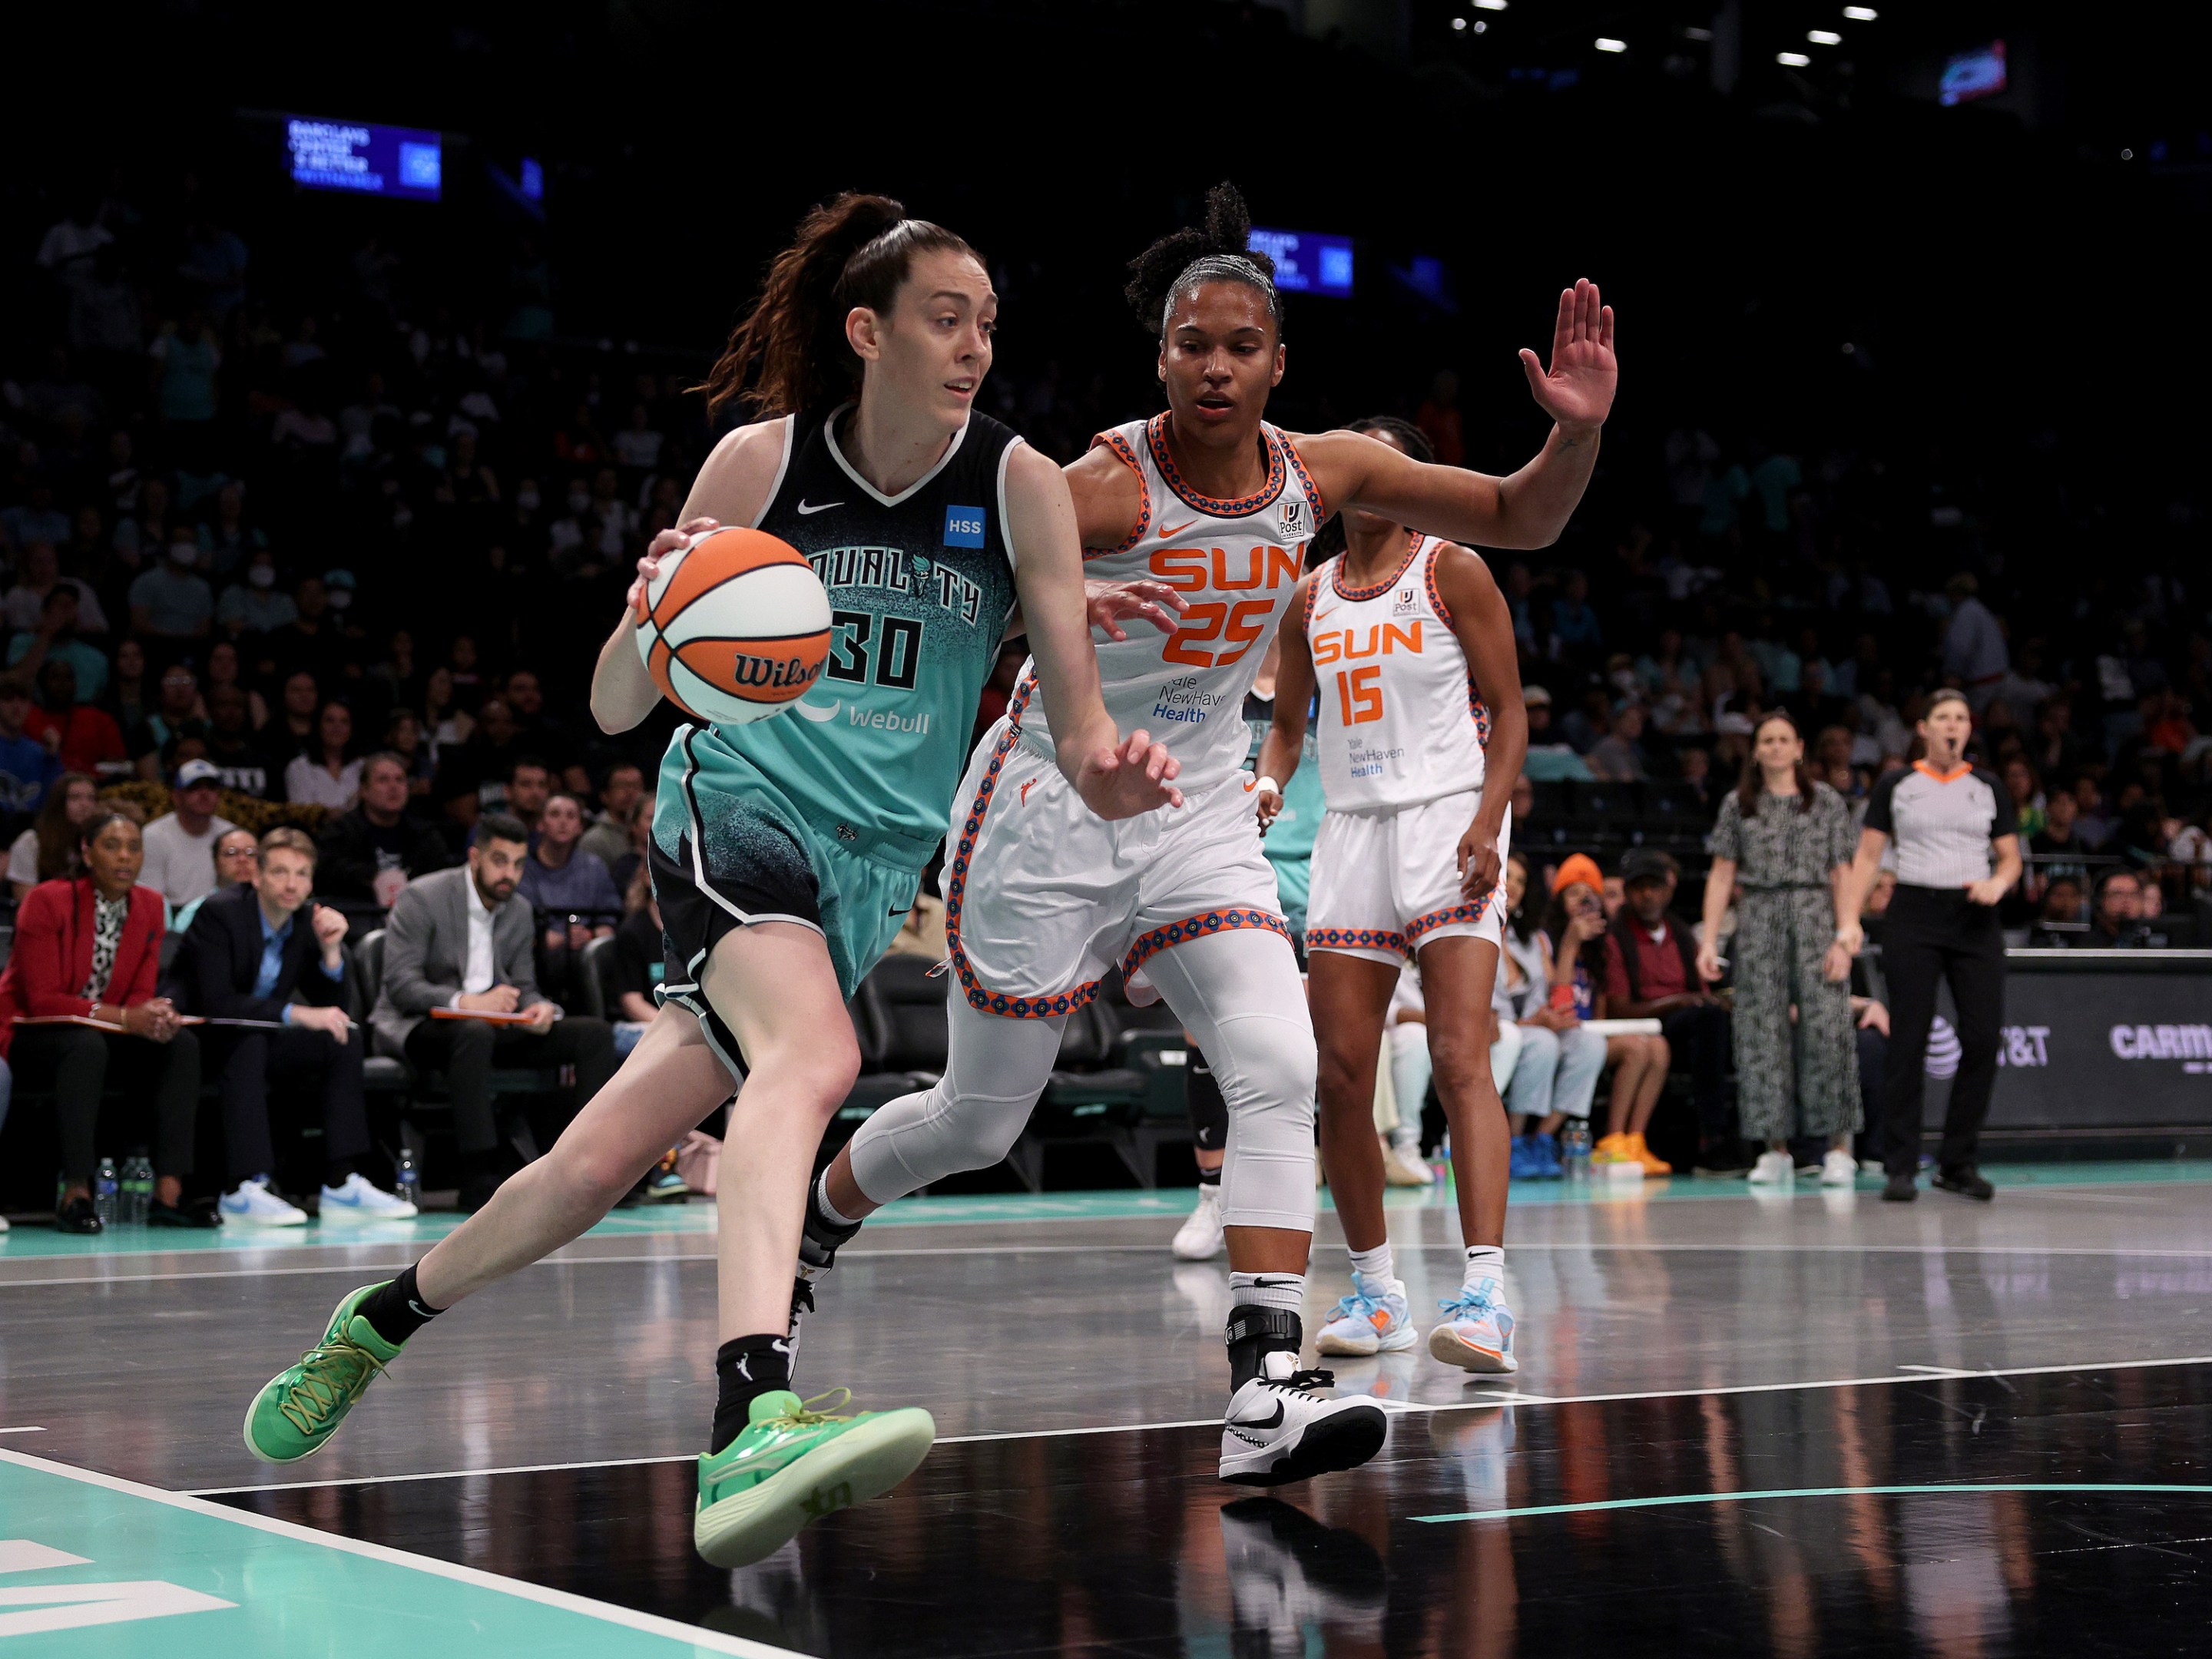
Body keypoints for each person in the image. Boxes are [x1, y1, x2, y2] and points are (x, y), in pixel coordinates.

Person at [240, 196, 1175, 1572]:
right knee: (819, 1052)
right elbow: (622, 708)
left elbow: (1079, 733)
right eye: (943, 316)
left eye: (986, 321)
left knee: (595, 1164)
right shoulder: (759, 466)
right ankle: (752, 1410)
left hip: (862, 875)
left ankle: (378, 1318)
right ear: (866, 330)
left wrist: (1120, 775)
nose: (975, 344)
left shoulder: (1019, 485)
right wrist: (646, 613)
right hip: (734, 809)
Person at [815, 186, 1612, 1475]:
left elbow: (1524, 512)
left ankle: (1265, 1382)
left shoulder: (1325, 472)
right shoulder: (1103, 489)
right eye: (1194, 344)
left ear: (1279, 363)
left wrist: (1575, 432)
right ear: (1163, 357)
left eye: (1242, 346)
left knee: (1280, 1067)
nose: (1217, 367)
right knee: (977, 1120)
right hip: (1050, 812)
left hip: (1194, 811)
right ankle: (815, 1213)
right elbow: (958, 596)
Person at [1254, 411, 1533, 1373]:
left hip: (1446, 821)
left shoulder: (1453, 570)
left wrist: (1489, 823)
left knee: (1459, 1055)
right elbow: (1288, 727)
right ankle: (1377, 1295)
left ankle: (1488, 1294)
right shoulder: (1307, 597)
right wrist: (1266, 781)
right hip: (1353, 834)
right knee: (1337, 1074)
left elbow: (1509, 715)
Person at [363, 814, 615, 1210]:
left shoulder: (518, 910)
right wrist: (466, 1003)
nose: (509, 874)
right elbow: (400, 984)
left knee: (595, 1035)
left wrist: (539, 1008)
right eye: (500, 861)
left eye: (518, 864)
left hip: (494, 1027)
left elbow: (524, 985)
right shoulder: (422, 896)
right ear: (475, 857)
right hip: (422, 1025)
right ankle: (480, 1176)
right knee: (473, 1032)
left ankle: (588, 1170)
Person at [1839, 688, 2022, 1203]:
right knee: (1909, 1038)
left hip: (1974, 915)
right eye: (1943, 717)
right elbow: (1869, 855)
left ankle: (1958, 1163)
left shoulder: (1987, 785)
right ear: (1924, 727)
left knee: (1983, 1038)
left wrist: (1998, 883)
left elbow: (2010, 859)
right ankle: (1900, 1164)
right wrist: (1849, 918)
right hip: (1915, 912)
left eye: (1961, 718)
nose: (1953, 726)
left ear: (1969, 729)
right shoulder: (1898, 783)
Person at [183, 828, 413, 1224]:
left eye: (302, 874)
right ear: (256, 875)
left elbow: (334, 1010)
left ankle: (342, 1183)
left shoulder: (306, 920)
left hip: (260, 1037)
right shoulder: (220, 913)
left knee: (341, 1038)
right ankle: (243, 1188)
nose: (292, 884)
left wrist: (330, 952)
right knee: (249, 1039)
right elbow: (216, 1003)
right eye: (281, 872)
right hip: (204, 1040)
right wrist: (295, 1014)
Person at [0, 813, 208, 1233]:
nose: (125, 856)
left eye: (134, 847)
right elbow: (42, 1001)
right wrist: (128, 1017)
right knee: (83, 1047)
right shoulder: (46, 900)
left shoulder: (150, 905)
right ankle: (75, 1192)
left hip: (105, 1031)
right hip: (33, 1032)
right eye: (112, 846)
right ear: (87, 852)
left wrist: (153, 1015)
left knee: (180, 1043)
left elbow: (137, 991)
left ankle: (168, 1192)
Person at [1696, 712, 1861, 1188]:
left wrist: (1846, 932)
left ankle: (1838, 1147)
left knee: (1828, 1030)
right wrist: (1710, 939)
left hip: (1815, 916)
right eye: (1766, 740)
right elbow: (1722, 874)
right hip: (1759, 916)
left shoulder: (1825, 801)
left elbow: (1842, 872)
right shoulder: (1739, 804)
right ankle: (1774, 1149)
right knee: (1760, 1033)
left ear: (1799, 747)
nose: (1774, 747)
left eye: (1783, 739)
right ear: (1755, 750)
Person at [1601, 848, 1740, 1174]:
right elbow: (1619, 1009)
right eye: (1639, 887)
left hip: (1691, 1028)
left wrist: (1701, 1001)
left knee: (1718, 1019)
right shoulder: (1616, 938)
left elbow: (1701, 995)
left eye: (1655, 886)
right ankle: (1712, 1138)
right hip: (1646, 1025)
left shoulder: (1681, 933)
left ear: (1668, 890)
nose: (1647, 895)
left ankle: (1731, 1137)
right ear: (1628, 892)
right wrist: (1679, 1002)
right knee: (1707, 1019)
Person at [1492, 852, 1604, 1178]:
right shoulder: (1472, 933)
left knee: (1588, 1044)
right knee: (1541, 1042)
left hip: (1530, 1029)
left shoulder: (1534, 940)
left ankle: (1542, 1137)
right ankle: (1512, 1143)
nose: (1513, 885)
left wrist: (1569, 946)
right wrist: (1536, 1023)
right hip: (1494, 1032)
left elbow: (1558, 998)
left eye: (1521, 881)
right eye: (1507, 876)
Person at [315, 750, 451, 909]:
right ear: (364, 790)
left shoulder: (426, 834)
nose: (393, 787)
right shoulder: (340, 832)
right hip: (357, 918)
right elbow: (325, 874)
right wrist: (371, 877)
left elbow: (442, 882)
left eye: (400, 780)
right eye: (383, 780)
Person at [518, 790, 624, 955]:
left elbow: (610, 923)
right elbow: (521, 930)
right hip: (537, 956)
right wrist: (565, 936)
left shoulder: (594, 867)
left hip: (586, 953)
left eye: (571, 816)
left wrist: (589, 935)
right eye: (555, 814)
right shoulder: (524, 868)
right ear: (540, 823)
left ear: (580, 827)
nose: (563, 822)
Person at [138, 759, 238, 910]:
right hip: (172, 917)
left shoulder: (231, 835)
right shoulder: (153, 835)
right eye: (195, 788)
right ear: (176, 796)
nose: (204, 794)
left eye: (211, 788)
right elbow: (150, 899)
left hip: (221, 913)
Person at [24, 657, 125, 776]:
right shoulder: (26, 718)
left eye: (68, 678)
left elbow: (117, 764)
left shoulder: (100, 720)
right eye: (55, 677)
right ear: (41, 684)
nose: (62, 684)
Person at [9, 770, 100, 900]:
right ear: (58, 802)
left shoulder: (99, 843)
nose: (85, 805)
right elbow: (26, 901)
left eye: (91, 798)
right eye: (75, 797)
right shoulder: (32, 842)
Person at [171, 825, 260, 935]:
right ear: (216, 863)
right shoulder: (195, 912)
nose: (243, 859)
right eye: (231, 853)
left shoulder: (272, 907)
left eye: (251, 853)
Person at [0, 674, 58, 840]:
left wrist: (52, 758)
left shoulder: (41, 753)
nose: (17, 707)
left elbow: (53, 804)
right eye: (8, 700)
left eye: (23, 700)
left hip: (32, 836)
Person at [284, 700, 362, 809]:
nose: (337, 727)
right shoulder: (299, 768)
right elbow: (305, 815)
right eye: (330, 721)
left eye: (344, 722)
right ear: (318, 726)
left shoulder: (363, 767)